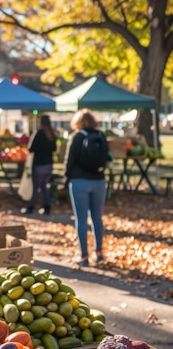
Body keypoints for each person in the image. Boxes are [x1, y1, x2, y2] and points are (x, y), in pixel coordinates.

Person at [64, 109, 109, 267]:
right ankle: (99, 252)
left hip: (79, 181)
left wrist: (66, 177)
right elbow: (106, 156)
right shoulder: (100, 136)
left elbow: (70, 160)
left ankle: (84, 255)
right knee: (97, 218)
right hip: (99, 181)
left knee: (81, 219)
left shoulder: (77, 137)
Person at [21, 114, 57, 216]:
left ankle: (30, 207)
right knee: (44, 186)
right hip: (49, 164)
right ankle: (46, 206)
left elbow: (31, 148)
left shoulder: (39, 134)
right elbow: (54, 148)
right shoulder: (51, 134)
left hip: (39, 164)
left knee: (36, 187)